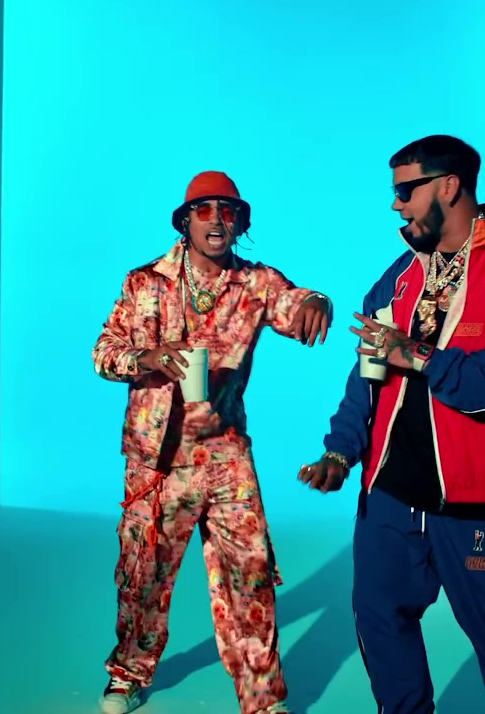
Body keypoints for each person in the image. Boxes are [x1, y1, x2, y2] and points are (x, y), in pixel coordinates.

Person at [298, 135, 485, 714]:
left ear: (448, 186)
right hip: (390, 496)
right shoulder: (399, 276)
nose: (396, 205)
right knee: (379, 620)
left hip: (480, 500)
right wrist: (341, 451)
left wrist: (419, 355)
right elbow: (367, 374)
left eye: (405, 191)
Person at [91, 171, 333, 714]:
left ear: (240, 223)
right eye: (205, 210)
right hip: (158, 460)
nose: (217, 220)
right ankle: (129, 672)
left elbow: (298, 303)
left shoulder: (256, 283)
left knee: (250, 574)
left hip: (226, 455)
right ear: (186, 221)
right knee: (143, 575)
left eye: (229, 211)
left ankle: (262, 698)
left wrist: (319, 300)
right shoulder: (145, 283)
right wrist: (147, 359)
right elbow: (103, 352)